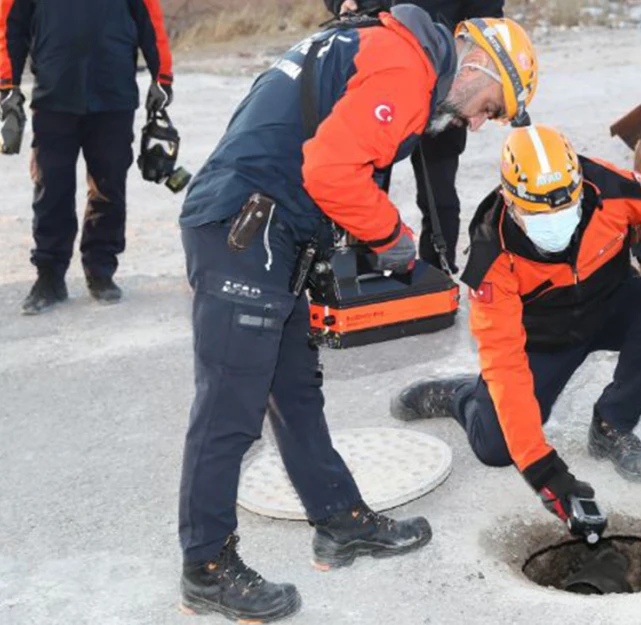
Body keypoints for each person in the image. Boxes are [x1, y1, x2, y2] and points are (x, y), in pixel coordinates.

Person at [175, 6, 537, 622]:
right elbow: (331, 170)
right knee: (230, 410)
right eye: (493, 107)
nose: (480, 124)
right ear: (476, 65)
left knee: (293, 389)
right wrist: (392, 238)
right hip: (247, 228)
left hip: (264, 226)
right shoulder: (404, 66)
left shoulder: (373, 43)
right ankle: (205, 568)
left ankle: (340, 521)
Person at [391, 125, 641, 533]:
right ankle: (462, 394)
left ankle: (613, 426)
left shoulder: (606, 185)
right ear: (510, 200)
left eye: (564, 208)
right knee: (497, 449)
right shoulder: (491, 254)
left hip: (609, 302)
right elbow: (506, 363)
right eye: (539, 213)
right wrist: (546, 475)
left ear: (578, 186)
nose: (555, 221)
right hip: (544, 340)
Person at [0, 0, 175, 314]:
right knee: (51, 187)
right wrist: (7, 84)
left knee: (109, 187)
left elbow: (150, 20)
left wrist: (161, 77)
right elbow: (9, 24)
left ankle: (100, 270)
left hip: (114, 95)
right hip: (54, 96)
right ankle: (49, 276)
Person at [325, 0, 506, 272]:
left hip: (449, 80)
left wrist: (473, 75)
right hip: (379, 69)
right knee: (361, 181)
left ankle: (438, 275)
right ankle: (359, 274)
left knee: (439, 193)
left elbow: (490, 19)